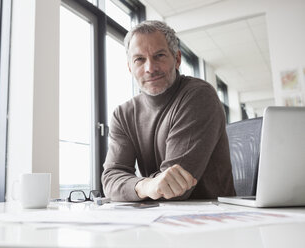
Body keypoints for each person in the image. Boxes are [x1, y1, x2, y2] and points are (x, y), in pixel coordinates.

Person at [101, 20, 236, 201]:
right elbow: (110, 180)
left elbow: (174, 189)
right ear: (130, 67)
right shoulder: (123, 114)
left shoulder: (198, 96)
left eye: (159, 55)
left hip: (213, 218)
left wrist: (138, 187)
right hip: (160, 219)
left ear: (177, 59)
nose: (150, 68)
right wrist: (145, 186)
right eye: (139, 59)